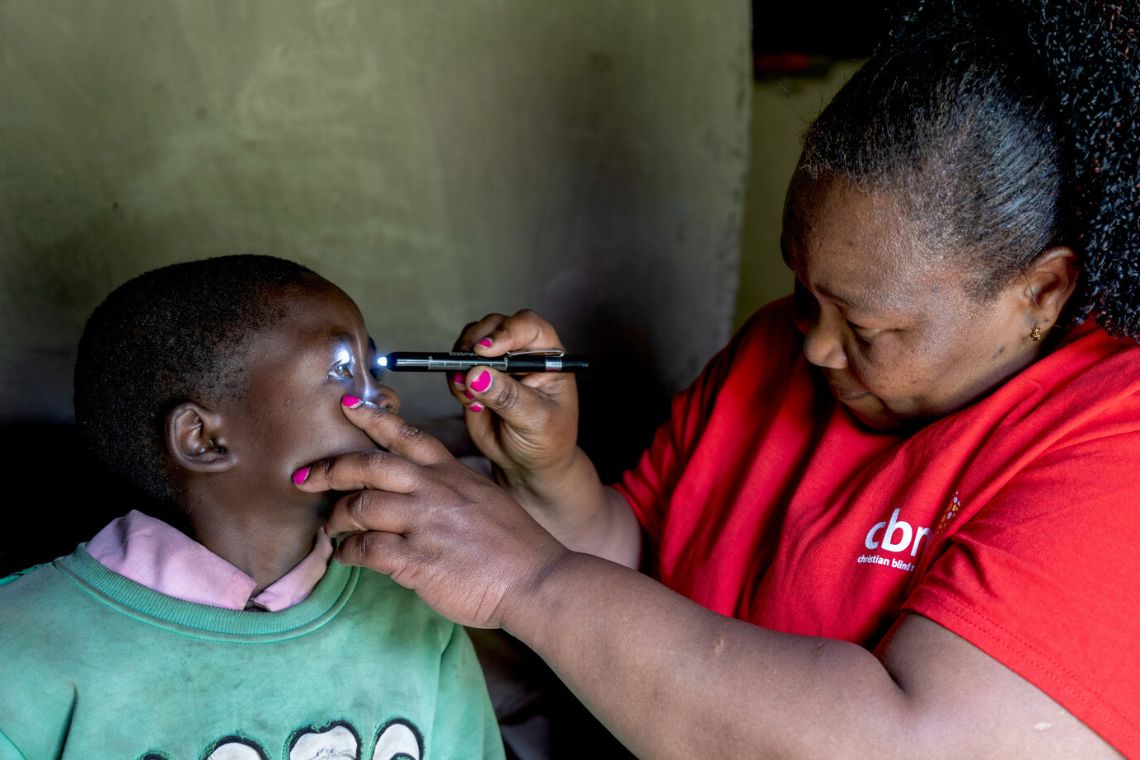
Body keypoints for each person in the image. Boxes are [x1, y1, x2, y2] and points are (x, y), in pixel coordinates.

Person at [292, 1, 1140, 757]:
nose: (812, 347)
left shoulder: (1112, 440)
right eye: (802, 289)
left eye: (869, 327)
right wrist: (548, 474)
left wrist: (526, 579)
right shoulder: (781, 347)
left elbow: (913, 742)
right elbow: (633, 574)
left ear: (1043, 290)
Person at [0, 255, 504, 759]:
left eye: (371, 369)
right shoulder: (22, 649)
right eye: (341, 369)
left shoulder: (413, 610)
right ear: (203, 439)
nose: (386, 398)